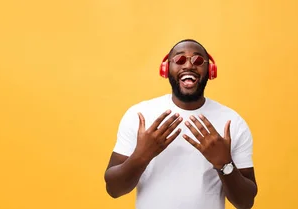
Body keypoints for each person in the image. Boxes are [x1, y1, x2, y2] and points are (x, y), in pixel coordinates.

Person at [103, 39, 258, 209]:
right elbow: (114, 189)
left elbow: (245, 203)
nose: (189, 66)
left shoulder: (232, 122)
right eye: (180, 60)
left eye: (198, 61)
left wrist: (224, 164)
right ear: (166, 69)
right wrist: (142, 155)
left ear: (210, 70)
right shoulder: (139, 115)